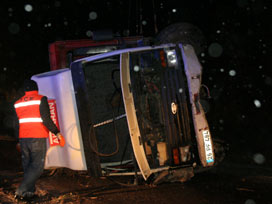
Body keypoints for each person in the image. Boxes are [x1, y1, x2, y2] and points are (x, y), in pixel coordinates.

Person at [13, 79, 65, 200]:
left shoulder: (18, 103)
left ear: (25, 90)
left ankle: (28, 194)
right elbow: (46, 119)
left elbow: (16, 123)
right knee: (37, 167)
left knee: (28, 166)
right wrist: (57, 132)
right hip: (37, 136)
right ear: (36, 89)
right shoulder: (41, 99)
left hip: (23, 138)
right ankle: (21, 191)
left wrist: (18, 139)